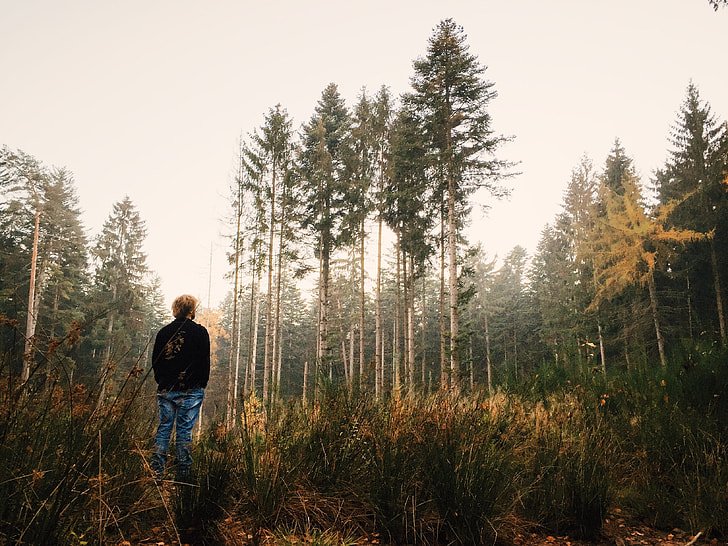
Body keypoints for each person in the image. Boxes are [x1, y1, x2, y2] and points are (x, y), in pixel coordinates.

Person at [150, 294, 210, 479]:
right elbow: (204, 362)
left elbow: (156, 361)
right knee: (184, 432)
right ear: (192, 310)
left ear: (175, 309)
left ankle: (156, 474)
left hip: (167, 389)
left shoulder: (164, 332)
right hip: (191, 390)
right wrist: (201, 384)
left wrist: (162, 382)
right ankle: (182, 478)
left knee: (164, 428)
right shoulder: (200, 332)